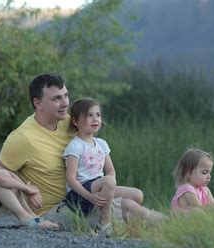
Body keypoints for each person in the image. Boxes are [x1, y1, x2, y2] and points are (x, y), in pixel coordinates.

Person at [0, 73, 164, 232]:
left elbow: (91, 143)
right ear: (38, 103)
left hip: (81, 195)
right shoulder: (22, 137)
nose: (65, 103)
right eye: (57, 98)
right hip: (55, 212)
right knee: (129, 206)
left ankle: (173, 220)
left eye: (66, 96)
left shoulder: (68, 122)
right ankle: (172, 225)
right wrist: (26, 191)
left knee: (136, 196)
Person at [64, 98, 157, 236]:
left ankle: (133, 221)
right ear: (76, 121)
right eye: (89, 115)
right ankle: (104, 224)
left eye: (98, 115)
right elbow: (70, 179)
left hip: (100, 186)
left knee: (137, 195)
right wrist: (90, 196)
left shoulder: (102, 144)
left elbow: (111, 170)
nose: (95, 119)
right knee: (108, 181)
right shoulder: (75, 145)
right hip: (80, 194)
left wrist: (110, 190)